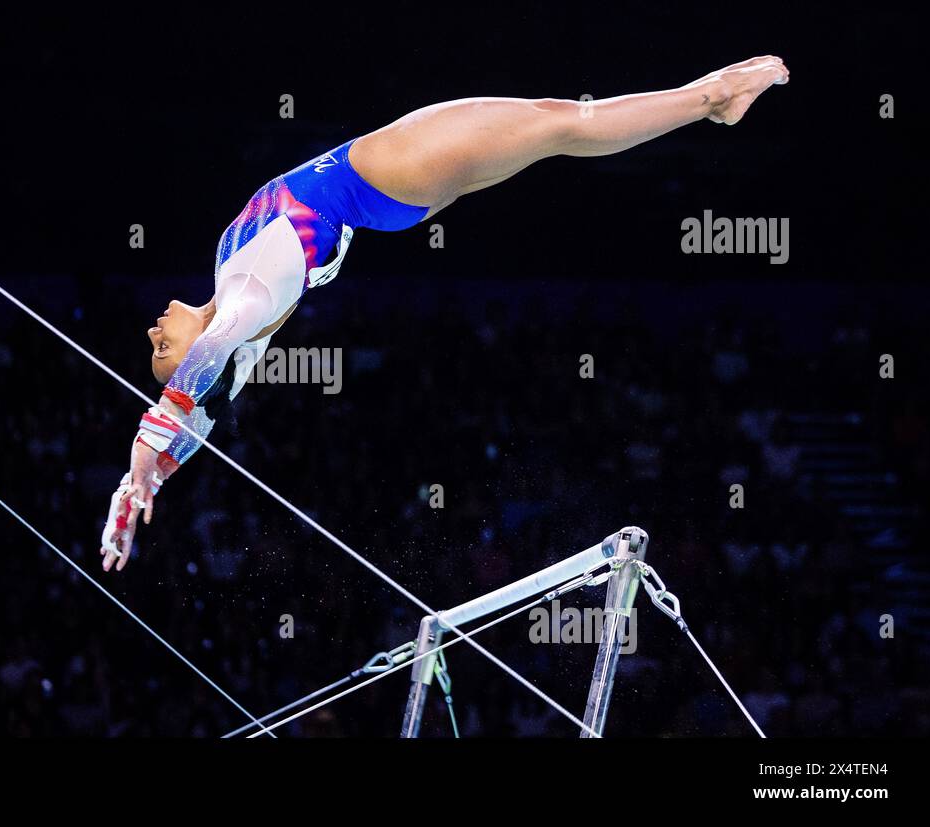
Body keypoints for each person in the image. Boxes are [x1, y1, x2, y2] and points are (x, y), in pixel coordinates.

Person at [100, 56, 790, 571]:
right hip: (379, 175)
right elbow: (206, 367)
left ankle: (707, 99)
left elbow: (205, 407)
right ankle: (711, 97)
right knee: (562, 122)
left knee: (557, 123)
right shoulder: (247, 294)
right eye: (160, 355)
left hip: (386, 190)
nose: (153, 334)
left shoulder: (235, 292)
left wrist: (150, 476)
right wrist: (143, 450)